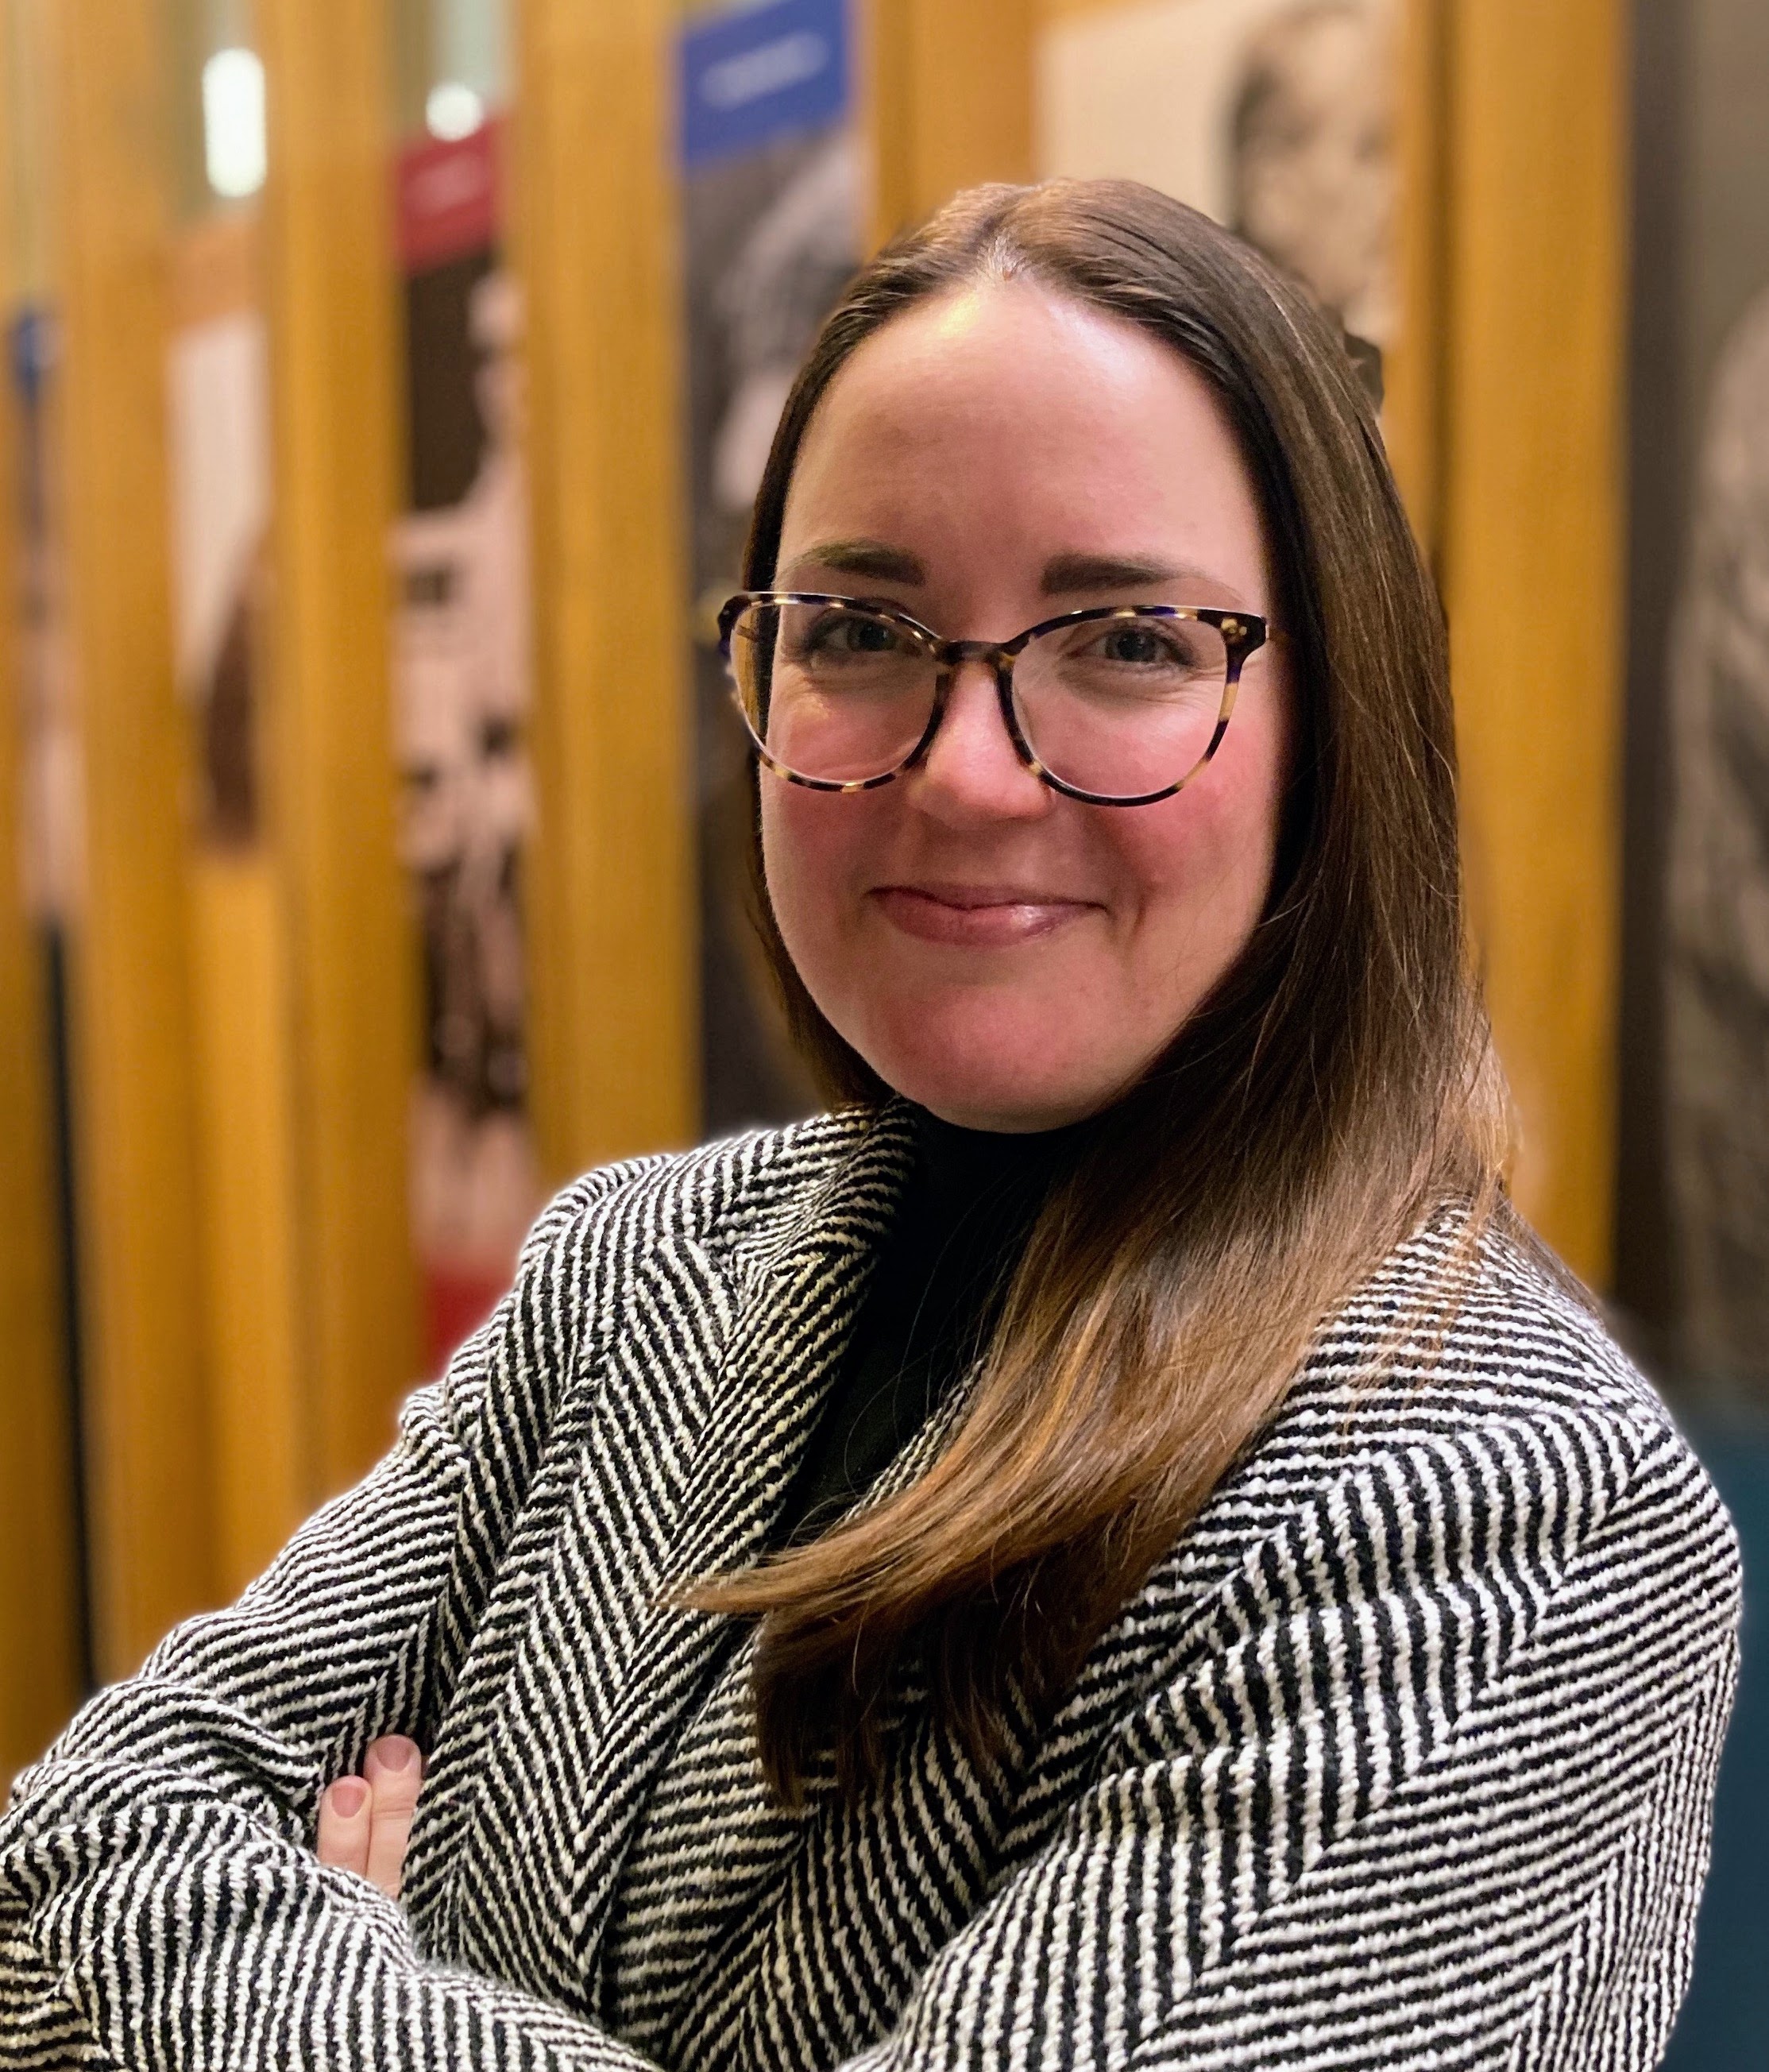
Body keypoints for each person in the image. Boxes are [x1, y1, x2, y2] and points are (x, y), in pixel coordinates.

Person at [0, 180, 1740, 2070]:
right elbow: (64, 1859)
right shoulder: (634, 1274)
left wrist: (312, 1963)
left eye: (1125, 639)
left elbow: (125, 1945)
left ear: (1331, 728)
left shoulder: (1497, 1505)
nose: (967, 770)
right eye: (858, 627)